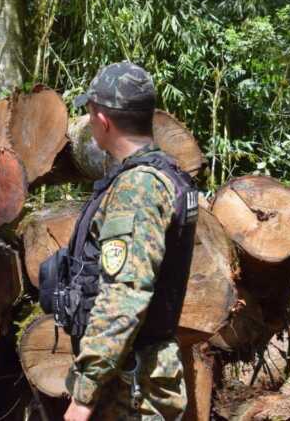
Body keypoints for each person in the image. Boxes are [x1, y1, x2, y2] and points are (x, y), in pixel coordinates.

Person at [61, 62, 198, 420]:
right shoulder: (163, 175)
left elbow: (125, 293)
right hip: (134, 372)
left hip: (131, 385)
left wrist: (84, 394)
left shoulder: (139, 188)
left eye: (90, 115)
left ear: (102, 120)